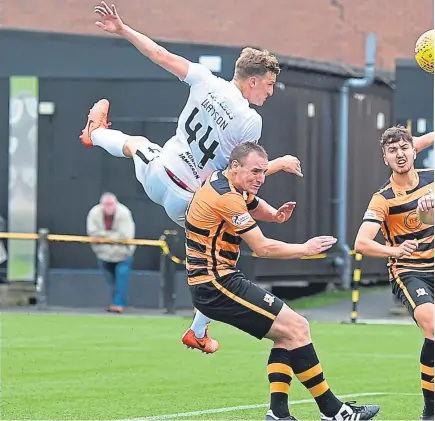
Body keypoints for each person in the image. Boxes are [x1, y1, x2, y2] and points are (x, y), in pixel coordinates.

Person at [81, 1, 303, 351]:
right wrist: (278, 164)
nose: (270, 92)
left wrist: (123, 29)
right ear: (254, 80)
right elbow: (242, 175)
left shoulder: (204, 79)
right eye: (270, 84)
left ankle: (94, 134)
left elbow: (159, 54)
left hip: (160, 172)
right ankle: (198, 330)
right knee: (223, 258)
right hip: (189, 199)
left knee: (135, 143)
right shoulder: (250, 120)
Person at [185, 142, 380, 420]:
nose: (261, 178)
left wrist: (275, 215)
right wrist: (305, 249)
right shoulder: (226, 196)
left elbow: (255, 206)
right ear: (235, 166)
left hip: (217, 281)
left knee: (287, 335)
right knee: (297, 327)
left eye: (264, 172)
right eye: (255, 171)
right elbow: (262, 248)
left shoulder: (225, 181)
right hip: (216, 284)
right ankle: (334, 411)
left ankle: (279, 414)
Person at [354, 125, 433, 421]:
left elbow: (430, 217)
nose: (399, 154)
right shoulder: (383, 198)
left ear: (414, 150)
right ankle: (430, 411)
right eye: (392, 150)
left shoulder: (432, 178)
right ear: (384, 158)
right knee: (432, 326)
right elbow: (361, 242)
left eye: (404, 148)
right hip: (410, 271)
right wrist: (394, 251)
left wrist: (431, 209)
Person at [87, 192, 136, 313]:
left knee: (121, 281)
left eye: (111, 204)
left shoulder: (124, 213)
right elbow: (92, 233)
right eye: (106, 204)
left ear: (116, 203)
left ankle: (119, 305)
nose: (109, 207)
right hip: (103, 254)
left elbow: (125, 236)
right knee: (110, 282)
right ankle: (115, 302)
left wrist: (103, 237)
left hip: (123, 254)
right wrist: (112, 238)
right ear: (101, 204)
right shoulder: (94, 213)